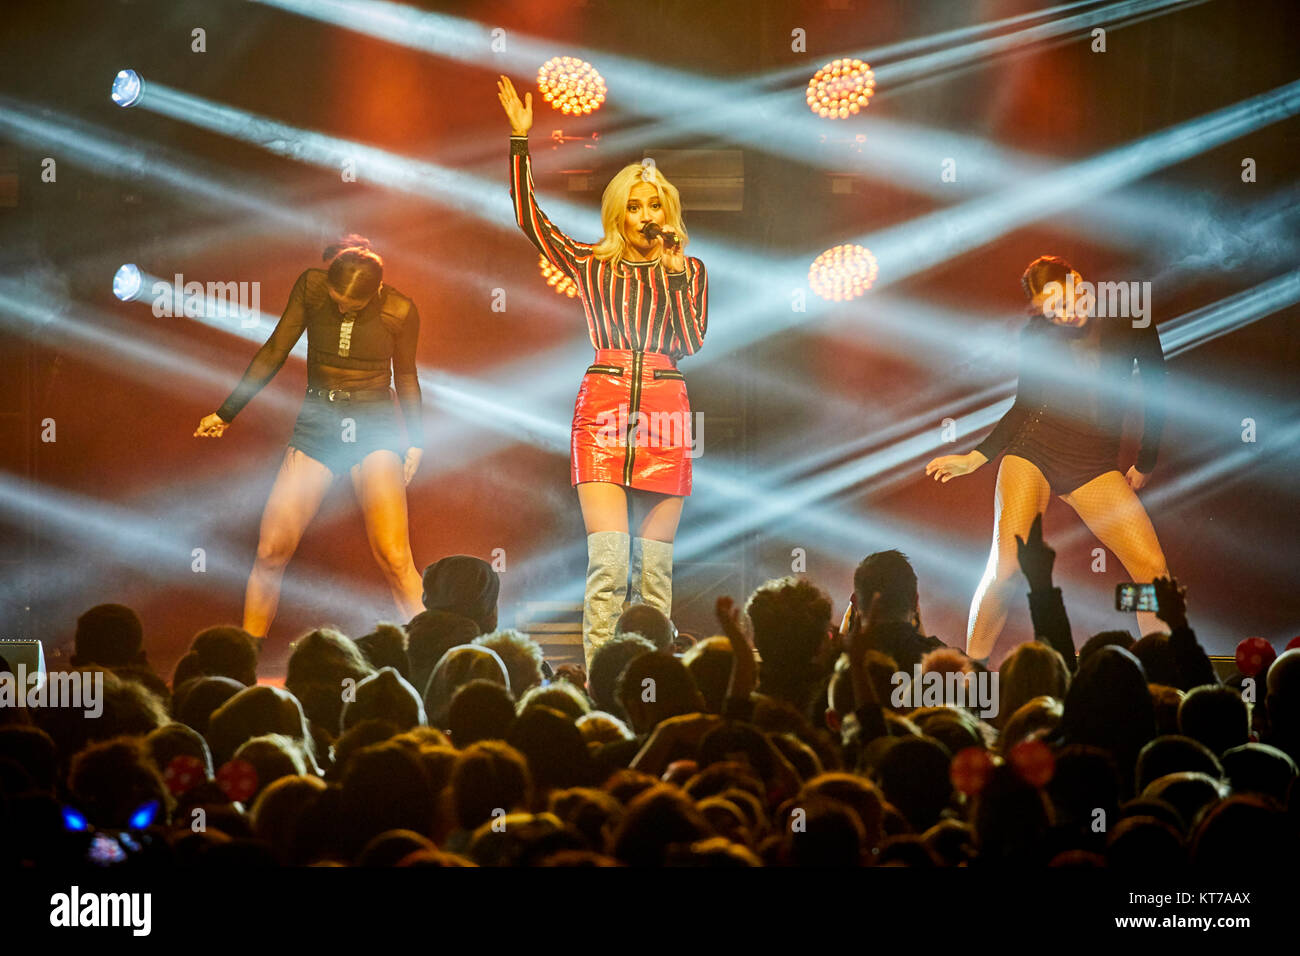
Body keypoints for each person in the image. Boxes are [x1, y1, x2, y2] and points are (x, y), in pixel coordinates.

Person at [497, 76, 709, 668]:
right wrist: (520, 141)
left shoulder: (688, 268)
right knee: (610, 564)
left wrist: (669, 271)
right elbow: (528, 219)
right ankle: (601, 684)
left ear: (667, 212)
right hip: (604, 405)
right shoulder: (591, 263)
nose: (645, 214)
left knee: (656, 574)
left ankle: (652, 682)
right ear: (619, 213)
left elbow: (690, 341)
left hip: (667, 407)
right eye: (634, 206)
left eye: (654, 205)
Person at [925, 256, 1169, 664]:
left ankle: (1161, 670)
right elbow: (1025, 405)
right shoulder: (1036, 334)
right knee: (1007, 569)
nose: (1064, 315)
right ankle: (972, 675)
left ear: (1077, 279)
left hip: (1093, 464)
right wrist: (977, 457)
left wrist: (1145, 460)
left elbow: (1158, 387)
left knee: (1153, 571)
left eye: (1066, 300)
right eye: (1051, 311)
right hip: (1034, 450)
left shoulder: (1130, 316)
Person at [194, 237, 426, 643]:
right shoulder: (311, 287)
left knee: (393, 556)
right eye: (336, 299)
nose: (339, 307)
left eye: (350, 305)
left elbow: (406, 376)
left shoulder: (400, 310)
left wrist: (416, 442)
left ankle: (435, 654)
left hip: (374, 427)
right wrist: (226, 412)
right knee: (271, 551)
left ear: (375, 294)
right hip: (318, 424)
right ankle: (246, 657)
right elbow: (274, 351)